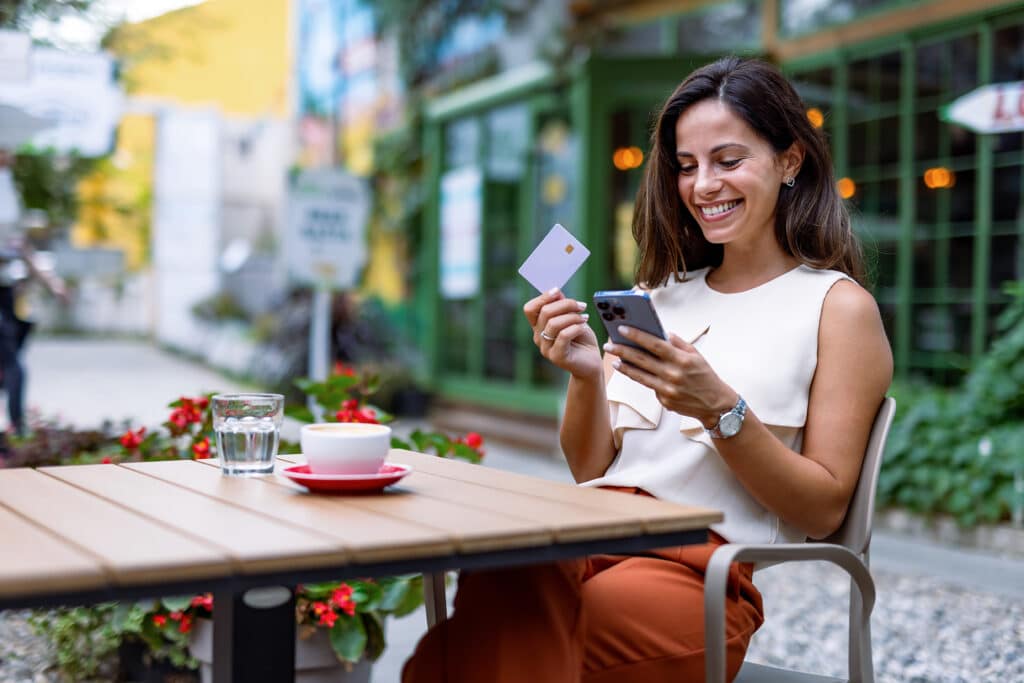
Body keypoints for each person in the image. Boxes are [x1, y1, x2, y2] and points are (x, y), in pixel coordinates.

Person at [402, 56, 893, 683]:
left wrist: (719, 409)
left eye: (729, 160)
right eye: (686, 167)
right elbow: (591, 470)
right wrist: (584, 376)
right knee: (505, 565)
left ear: (790, 161)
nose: (703, 185)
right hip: (587, 534)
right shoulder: (657, 295)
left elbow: (825, 510)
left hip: (698, 571)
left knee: (471, 649)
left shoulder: (835, 307)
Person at [0, 149, 68, 437]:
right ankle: (17, 431)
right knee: (13, 366)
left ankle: (15, 433)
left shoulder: (7, 186)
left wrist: (51, 283)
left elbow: (18, 245)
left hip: (5, 292)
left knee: (11, 361)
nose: (12, 154)